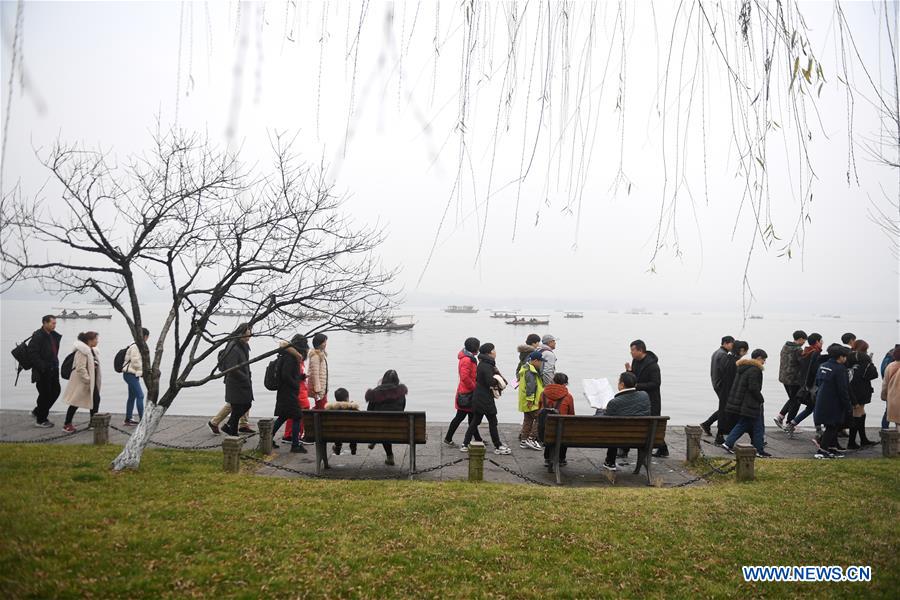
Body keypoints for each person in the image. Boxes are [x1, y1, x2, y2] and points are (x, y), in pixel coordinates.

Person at [461, 343, 512, 455]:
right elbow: (490, 381)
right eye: (494, 350)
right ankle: (498, 445)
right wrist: (498, 380)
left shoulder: (482, 364)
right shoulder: (487, 365)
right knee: (492, 421)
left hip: (479, 396)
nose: (495, 352)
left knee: (475, 421)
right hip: (485, 398)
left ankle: (465, 444)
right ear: (489, 352)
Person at [721, 349, 773, 458]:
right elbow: (753, 388)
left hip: (742, 402)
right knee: (758, 427)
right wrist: (761, 399)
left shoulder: (743, 368)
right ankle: (759, 450)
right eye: (764, 360)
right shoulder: (755, 370)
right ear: (759, 358)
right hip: (750, 403)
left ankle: (728, 443)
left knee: (743, 424)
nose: (764, 362)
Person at [599, 372, 650, 471]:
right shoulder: (645, 395)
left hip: (618, 438)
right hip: (641, 437)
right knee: (617, 429)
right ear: (635, 384)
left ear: (622, 385)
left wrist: (602, 410)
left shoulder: (615, 402)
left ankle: (610, 461)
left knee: (613, 430)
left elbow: (604, 422)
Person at [625, 340, 667, 457]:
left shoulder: (652, 365)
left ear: (640, 350)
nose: (631, 353)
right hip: (638, 398)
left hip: (651, 399)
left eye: (633, 350)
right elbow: (635, 377)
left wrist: (637, 386)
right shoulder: (635, 361)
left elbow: (656, 383)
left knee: (653, 425)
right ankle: (625, 448)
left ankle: (663, 448)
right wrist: (629, 372)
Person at [813, 345, 852, 458]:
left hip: (821, 399)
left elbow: (817, 383)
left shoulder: (822, 366)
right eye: (845, 357)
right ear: (840, 357)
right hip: (834, 402)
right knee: (832, 426)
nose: (846, 359)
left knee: (830, 425)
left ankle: (831, 448)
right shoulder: (840, 369)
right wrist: (848, 405)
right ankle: (822, 451)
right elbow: (843, 390)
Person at [272, 335, 309, 453]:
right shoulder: (291, 358)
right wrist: (295, 384)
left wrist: (301, 377)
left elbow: (289, 374)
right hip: (289, 393)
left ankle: (267, 438)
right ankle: (295, 445)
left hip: (285, 392)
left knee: (283, 416)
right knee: (297, 416)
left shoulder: (289, 356)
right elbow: (286, 375)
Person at [444, 337, 483, 446]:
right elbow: (464, 377)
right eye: (478, 346)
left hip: (467, 392)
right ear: (474, 347)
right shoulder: (467, 359)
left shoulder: (469, 358)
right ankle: (448, 438)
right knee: (461, 417)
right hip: (466, 393)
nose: (479, 348)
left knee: (471, 416)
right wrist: (474, 387)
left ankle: (477, 438)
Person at [783, 333, 825, 434]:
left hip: (803, 385)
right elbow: (814, 370)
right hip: (810, 386)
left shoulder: (806, 351)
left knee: (811, 406)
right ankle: (818, 430)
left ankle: (792, 423)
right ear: (817, 342)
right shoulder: (814, 353)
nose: (823, 342)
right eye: (821, 341)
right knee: (813, 406)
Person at [365, 370, 409, 465]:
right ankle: (386, 453)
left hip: (378, 428)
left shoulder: (375, 392)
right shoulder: (401, 393)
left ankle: (378, 443)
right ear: (397, 380)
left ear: (383, 379)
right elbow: (402, 409)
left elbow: (369, 412)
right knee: (387, 424)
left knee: (381, 425)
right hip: (397, 429)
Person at [61, 332, 102, 432]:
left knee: (95, 400)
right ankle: (67, 424)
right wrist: (88, 379)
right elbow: (80, 368)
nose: (97, 341)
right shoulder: (82, 351)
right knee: (75, 402)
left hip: (91, 382)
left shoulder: (91, 351)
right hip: (82, 382)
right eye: (96, 339)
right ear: (90, 340)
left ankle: (93, 423)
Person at [27, 315, 62, 428]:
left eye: (55, 323)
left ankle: (38, 411)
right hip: (43, 370)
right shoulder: (38, 336)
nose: (54, 325)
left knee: (56, 391)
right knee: (45, 394)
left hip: (54, 368)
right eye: (52, 323)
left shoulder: (52, 335)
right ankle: (41, 420)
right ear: (44, 323)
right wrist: (43, 366)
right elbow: (32, 353)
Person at [220, 323, 254, 437]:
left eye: (250, 335)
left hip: (242, 382)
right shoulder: (234, 347)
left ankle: (230, 428)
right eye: (247, 335)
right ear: (241, 334)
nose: (249, 337)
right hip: (235, 383)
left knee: (244, 406)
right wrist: (244, 378)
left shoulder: (242, 346)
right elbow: (232, 368)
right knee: (240, 406)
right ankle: (232, 433)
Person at [714, 340, 749, 445]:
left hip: (724, 389)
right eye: (746, 351)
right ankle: (726, 438)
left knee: (723, 413)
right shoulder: (736, 362)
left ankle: (720, 436)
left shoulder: (727, 358)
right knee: (730, 415)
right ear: (741, 350)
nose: (746, 353)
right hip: (731, 391)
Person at [700, 335, 735, 436]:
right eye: (731, 344)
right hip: (721, 385)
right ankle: (709, 424)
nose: (733, 347)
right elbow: (725, 371)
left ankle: (707, 424)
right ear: (725, 343)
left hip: (715, 382)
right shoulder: (723, 355)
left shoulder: (716, 352)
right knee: (725, 408)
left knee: (724, 407)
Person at [773, 330, 808, 430]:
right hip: (794, 379)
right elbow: (803, 363)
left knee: (793, 399)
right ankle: (789, 423)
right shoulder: (798, 350)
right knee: (796, 401)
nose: (804, 343)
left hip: (784, 377)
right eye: (804, 340)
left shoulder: (785, 346)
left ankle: (780, 416)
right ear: (800, 339)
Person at [847, 340, 879, 448]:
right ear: (864, 350)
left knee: (860, 412)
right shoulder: (865, 359)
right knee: (857, 413)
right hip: (862, 389)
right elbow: (873, 374)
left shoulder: (848, 358)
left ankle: (863, 439)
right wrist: (871, 362)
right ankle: (852, 442)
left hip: (851, 387)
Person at [541, 372, 575, 467]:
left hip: (545, 431)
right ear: (565, 384)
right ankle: (561, 458)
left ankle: (547, 458)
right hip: (562, 433)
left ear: (553, 381)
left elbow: (539, 411)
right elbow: (572, 415)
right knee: (564, 428)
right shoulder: (568, 397)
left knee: (549, 428)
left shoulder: (543, 394)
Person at [516, 351, 545, 450]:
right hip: (532, 401)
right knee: (539, 418)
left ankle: (524, 440)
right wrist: (530, 399)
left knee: (528, 420)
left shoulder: (525, 368)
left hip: (526, 400)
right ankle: (531, 439)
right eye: (540, 361)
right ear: (536, 361)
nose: (541, 363)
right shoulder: (531, 371)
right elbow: (531, 386)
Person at [122, 327, 149, 426]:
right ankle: (142, 420)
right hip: (130, 374)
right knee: (140, 395)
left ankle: (128, 419)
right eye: (147, 337)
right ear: (145, 336)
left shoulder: (136, 345)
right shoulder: (136, 346)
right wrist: (143, 371)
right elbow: (135, 361)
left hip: (131, 374)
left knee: (132, 397)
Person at [328, 388, 359, 456]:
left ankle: (338, 447)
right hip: (352, 433)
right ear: (347, 398)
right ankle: (353, 448)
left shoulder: (331, 410)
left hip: (336, 434)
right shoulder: (353, 409)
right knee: (353, 428)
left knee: (337, 429)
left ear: (336, 399)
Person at [307, 333, 329, 410]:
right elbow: (314, 373)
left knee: (322, 406)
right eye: (324, 342)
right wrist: (317, 389)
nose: (325, 344)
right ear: (319, 343)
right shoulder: (316, 356)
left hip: (323, 388)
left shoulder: (321, 355)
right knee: (321, 408)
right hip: (319, 389)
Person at [880, 345, 900, 429]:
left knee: (897, 421)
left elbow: (885, 383)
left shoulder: (890, 366)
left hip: (893, 396)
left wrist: (884, 396)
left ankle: (885, 430)